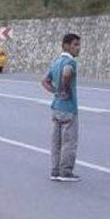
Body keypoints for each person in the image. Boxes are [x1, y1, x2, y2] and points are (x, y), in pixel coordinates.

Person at [42, 33, 81, 181]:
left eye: (78, 45)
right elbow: (66, 73)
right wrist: (64, 90)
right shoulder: (70, 62)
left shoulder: (56, 62)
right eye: (75, 45)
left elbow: (45, 81)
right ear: (66, 45)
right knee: (69, 142)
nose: (78, 48)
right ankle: (66, 172)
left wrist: (56, 92)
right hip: (68, 109)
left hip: (56, 108)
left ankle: (55, 170)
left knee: (56, 142)